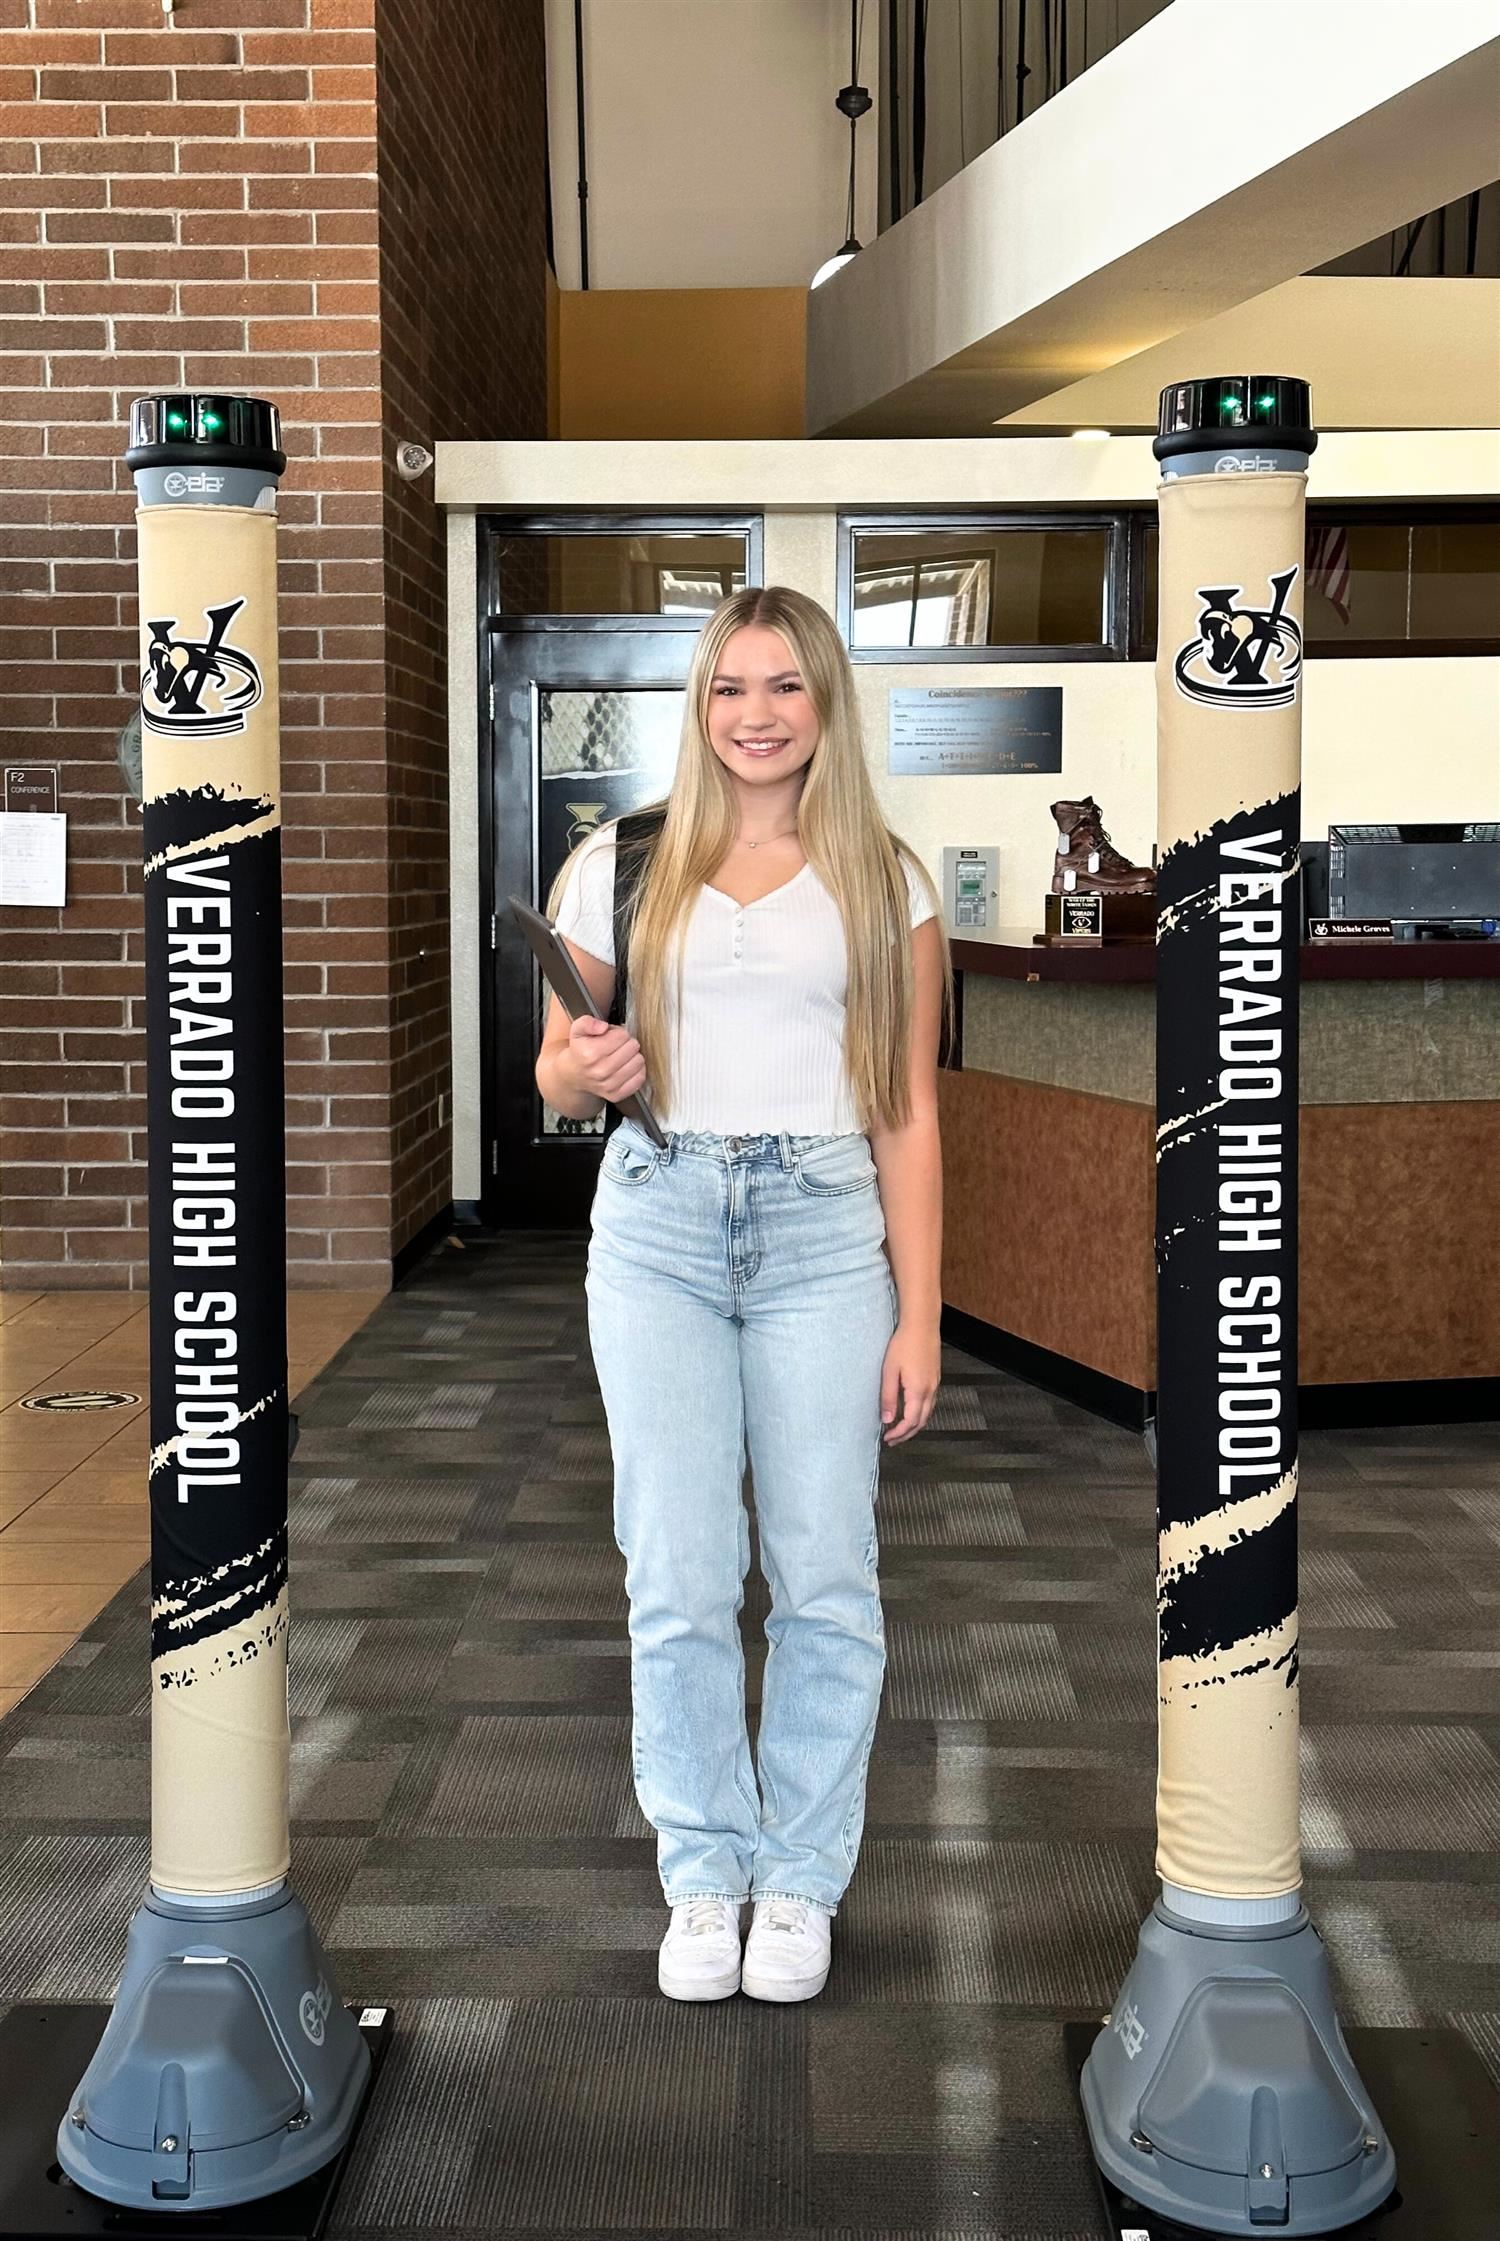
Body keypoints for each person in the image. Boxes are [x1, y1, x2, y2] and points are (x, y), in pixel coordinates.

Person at [535, 584, 954, 2004]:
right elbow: (552, 1060)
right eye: (730, 687)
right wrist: (579, 1069)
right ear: (699, 705)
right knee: (681, 1569)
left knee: (826, 1574)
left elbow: (906, 1109)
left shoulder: (886, 879)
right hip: (657, 1223)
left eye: (785, 687)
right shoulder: (622, 862)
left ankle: (802, 1877)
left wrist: (921, 1312)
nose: (757, 715)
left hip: (827, 1228)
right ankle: (706, 1869)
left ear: (825, 703)